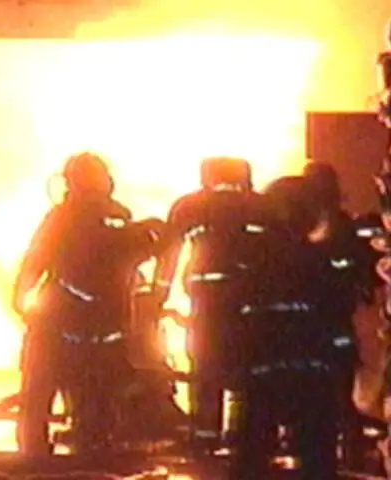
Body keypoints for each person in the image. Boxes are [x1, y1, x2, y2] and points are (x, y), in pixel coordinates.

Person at [12, 152, 163, 456]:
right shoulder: (114, 215)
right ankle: (91, 447)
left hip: (63, 320)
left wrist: (20, 295)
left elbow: (38, 257)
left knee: (41, 393)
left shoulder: (63, 216)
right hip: (95, 323)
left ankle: (36, 455)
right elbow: (131, 253)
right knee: (92, 393)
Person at [154, 156, 277, 450]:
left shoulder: (190, 207)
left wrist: (157, 296)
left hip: (207, 304)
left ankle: (203, 440)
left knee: (206, 366)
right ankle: (245, 439)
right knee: (248, 366)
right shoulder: (263, 207)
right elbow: (280, 255)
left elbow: (169, 255)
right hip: (253, 303)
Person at [229, 175, 339, 479]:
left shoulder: (251, 257)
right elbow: (335, 313)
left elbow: (237, 312)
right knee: (315, 450)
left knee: (254, 446)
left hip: (265, 367)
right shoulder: (316, 258)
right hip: (310, 370)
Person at [302, 160, 368, 469]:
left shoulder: (313, 228)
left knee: (330, 387)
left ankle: (341, 443)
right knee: (337, 385)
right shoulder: (342, 226)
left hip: (321, 322)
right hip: (333, 321)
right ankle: (344, 443)